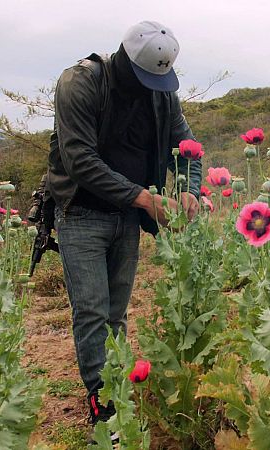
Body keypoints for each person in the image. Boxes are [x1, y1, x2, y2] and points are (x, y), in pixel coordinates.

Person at [46, 20, 201, 430]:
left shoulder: (163, 95)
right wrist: (146, 199)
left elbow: (188, 148)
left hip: (126, 218)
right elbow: (79, 160)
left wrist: (190, 190)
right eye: (145, 78)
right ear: (125, 61)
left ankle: (117, 383)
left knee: (116, 312)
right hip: (80, 213)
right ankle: (103, 403)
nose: (152, 86)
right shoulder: (80, 83)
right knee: (92, 311)